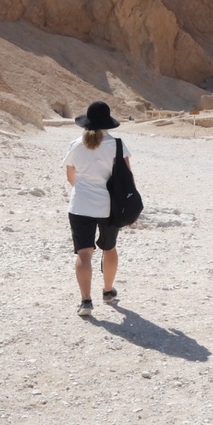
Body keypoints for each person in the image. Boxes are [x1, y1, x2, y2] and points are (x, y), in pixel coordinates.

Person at [64, 101, 130, 317]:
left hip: (80, 205)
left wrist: (85, 192)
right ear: (108, 123)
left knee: (84, 253)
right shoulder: (117, 145)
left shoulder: (75, 145)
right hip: (109, 207)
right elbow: (127, 178)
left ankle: (86, 302)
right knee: (109, 248)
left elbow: (71, 177)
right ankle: (108, 292)